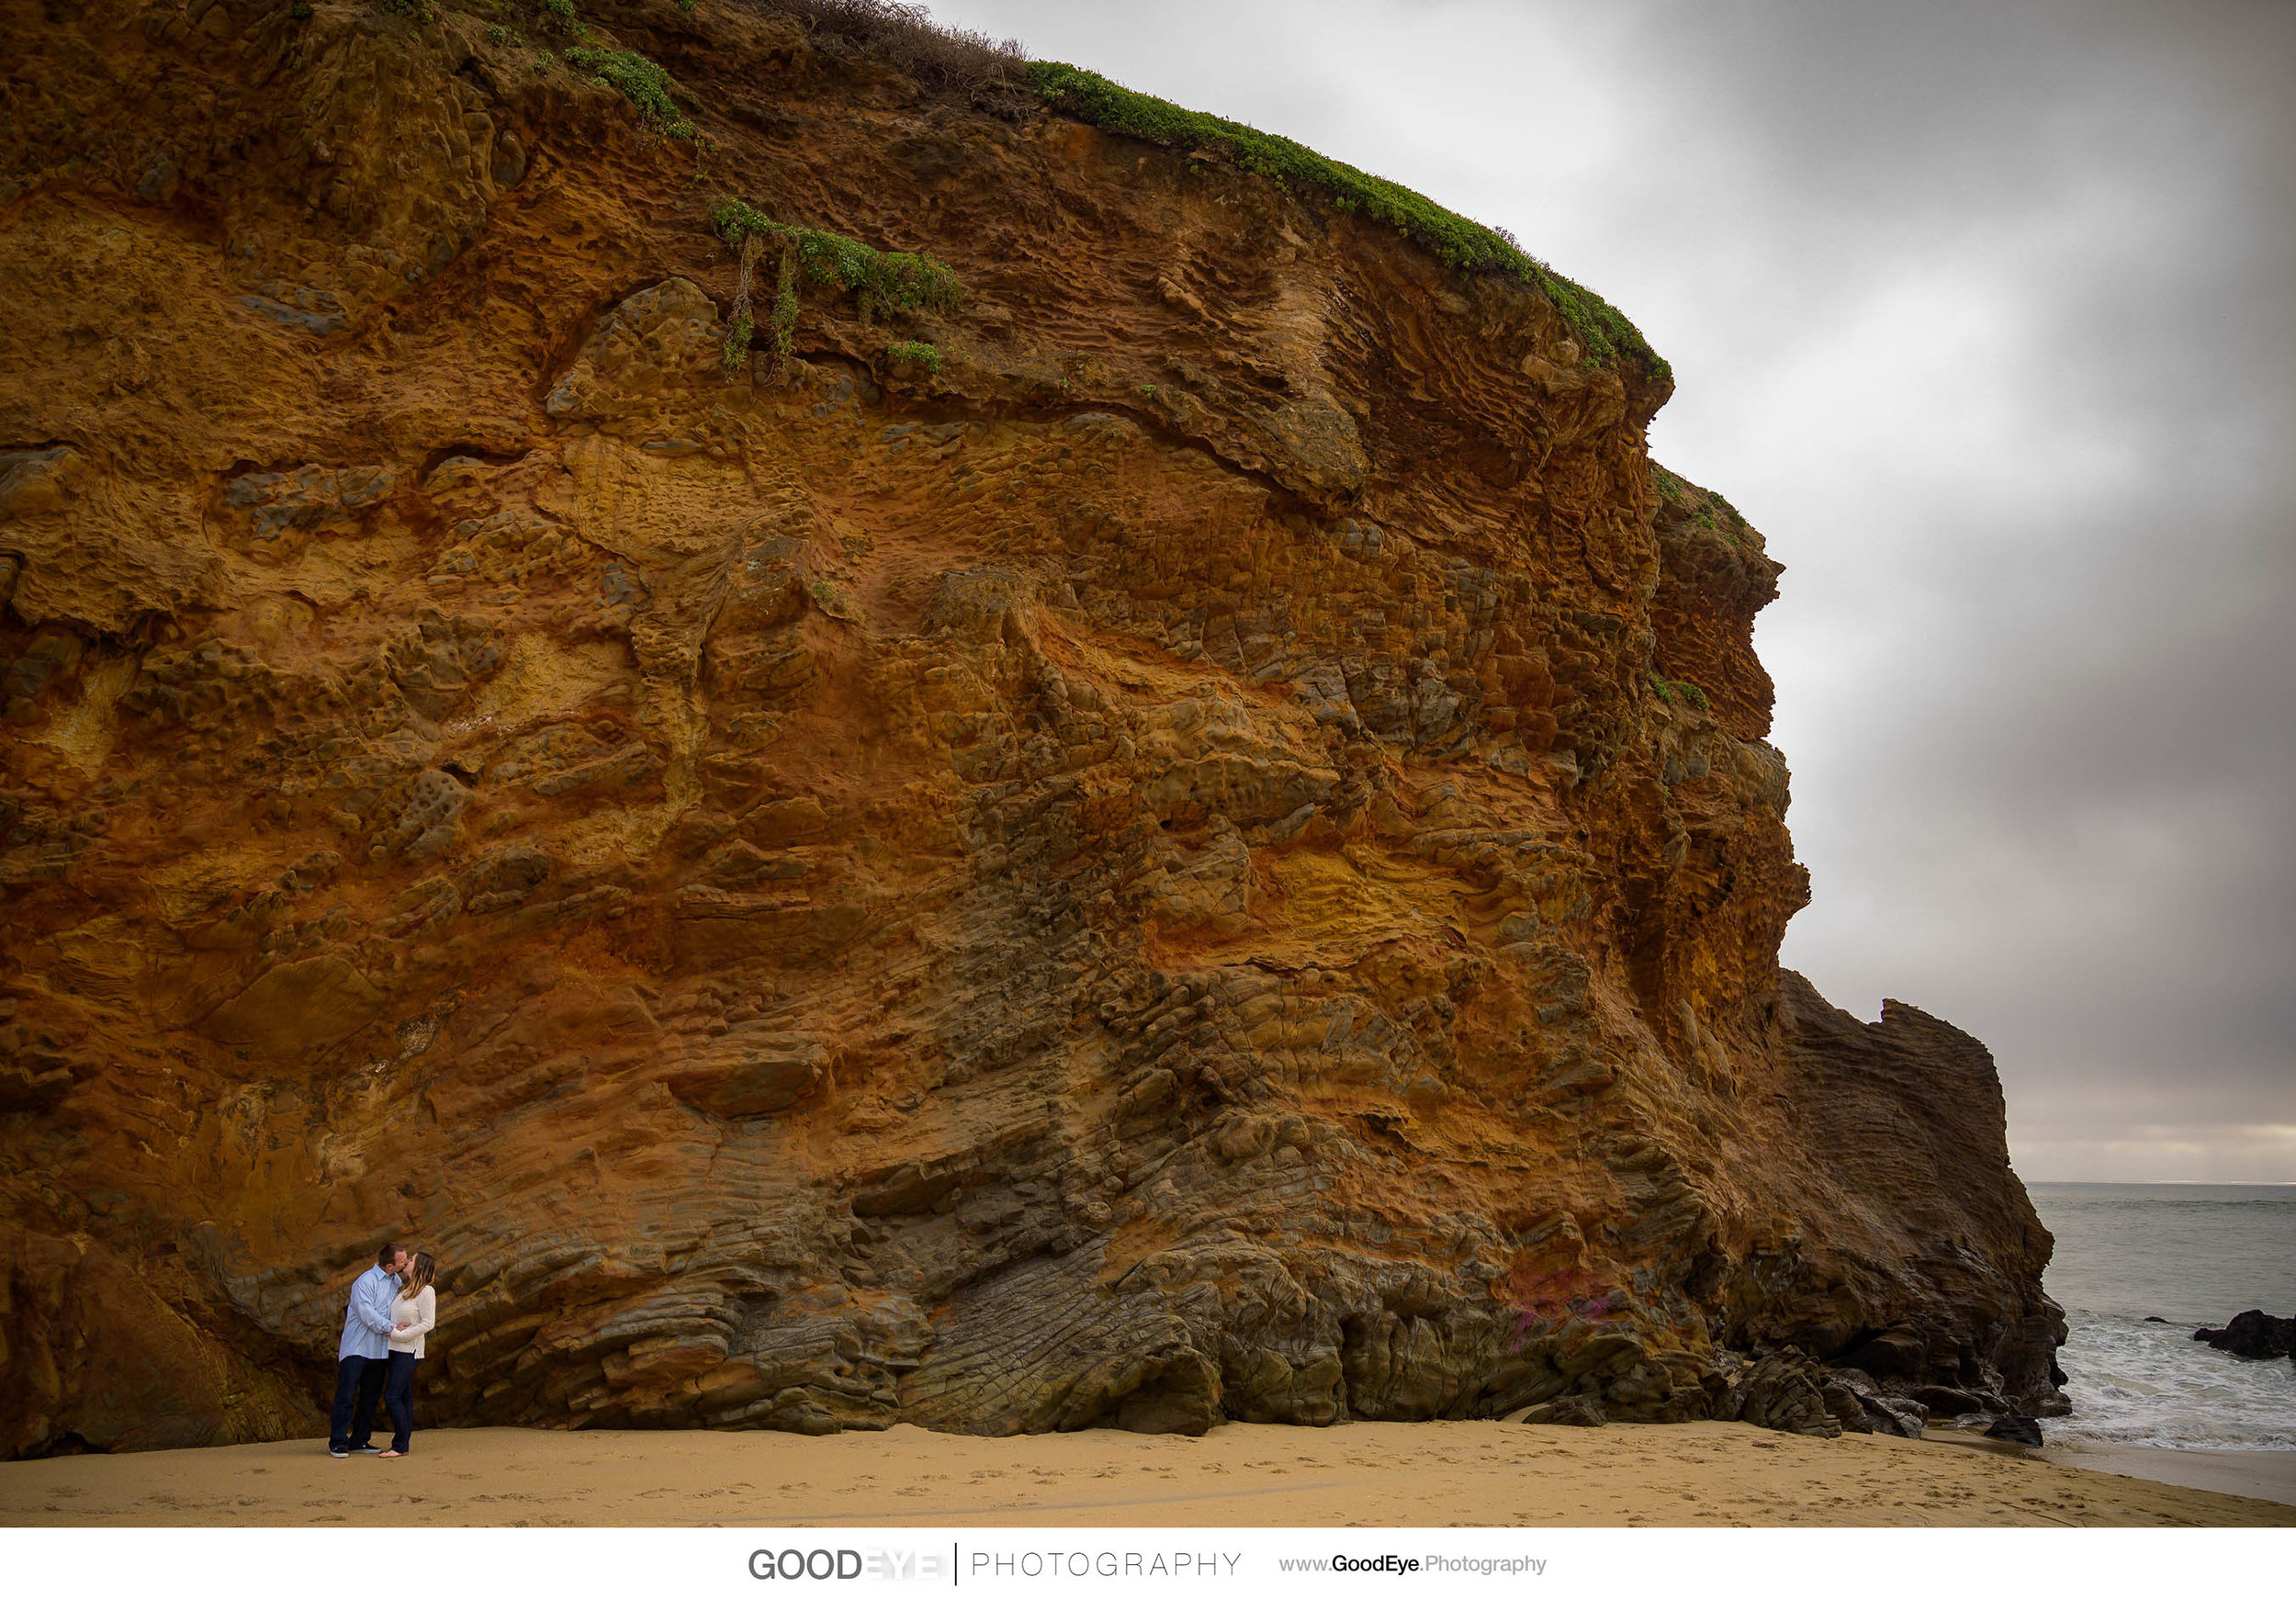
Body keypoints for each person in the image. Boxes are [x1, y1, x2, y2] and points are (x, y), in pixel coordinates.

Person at [329, 1243, 407, 1458]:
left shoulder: (396, 1281)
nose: (406, 1263)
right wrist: (392, 1328)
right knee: (346, 1396)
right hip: (357, 1347)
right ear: (390, 1266)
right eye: (403, 1260)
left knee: (370, 1397)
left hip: (380, 1350)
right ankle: (338, 1442)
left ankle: (360, 1440)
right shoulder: (365, 1282)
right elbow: (366, 1314)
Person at [378, 1251, 438, 1460]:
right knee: (403, 1398)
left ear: (420, 1265)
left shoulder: (426, 1292)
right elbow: (394, 1317)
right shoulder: (405, 1290)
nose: (407, 1261)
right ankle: (402, 1443)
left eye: (411, 1259)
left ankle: (400, 1444)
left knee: (392, 1396)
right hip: (394, 1349)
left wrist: (399, 1334)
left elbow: (428, 1323)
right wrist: (393, 1328)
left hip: (408, 1351)